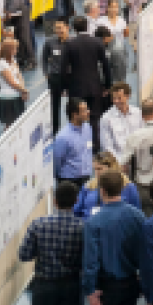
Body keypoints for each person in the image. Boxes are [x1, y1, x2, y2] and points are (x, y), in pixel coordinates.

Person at [81, 169, 146, 305]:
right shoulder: (137, 216)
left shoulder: (94, 222)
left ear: (101, 190)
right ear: (123, 188)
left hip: (104, 287)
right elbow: (146, 252)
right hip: (130, 283)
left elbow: (91, 261)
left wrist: (91, 291)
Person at [21, 181, 85, 305]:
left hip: (43, 284)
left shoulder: (38, 224)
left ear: (55, 201)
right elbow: (86, 259)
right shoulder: (83, 227)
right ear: (76, 200)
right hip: (71, 284)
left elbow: (24, 255)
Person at [59, 15, 115, 153]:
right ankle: (94, 146)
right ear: (87, 27)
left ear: (73, 28)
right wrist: (107, 86)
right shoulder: (97, 42)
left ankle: (78, 146)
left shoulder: (69, 44)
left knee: (76, 118)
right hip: (94, 87)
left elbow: (63, 69)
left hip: (76, 89)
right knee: (94, 117)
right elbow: (106, 66)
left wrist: (65, 87)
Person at [75, 152, 143, 218]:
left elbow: (136, 212)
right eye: (94, 169)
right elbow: (77, 209)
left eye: (99, 169)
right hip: (89, 224)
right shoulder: (88, 186)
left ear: (111, 168)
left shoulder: (128, 187)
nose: (96, 173)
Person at [54, 97, 95, 188]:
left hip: (86, 178)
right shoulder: (63, 137)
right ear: (75, 115)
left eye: (87, 109)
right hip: (69, 182)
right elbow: (57, 161)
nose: (88, 112)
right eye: (84, 110)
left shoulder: (88, 128)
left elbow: (89, 148)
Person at [43, 18, 72, 131]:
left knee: (73, 103)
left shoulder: (73, 41)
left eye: (60, 28)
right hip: (55, 77)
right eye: (56, 28)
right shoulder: (49, 42)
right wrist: (46, 73)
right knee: (55, 105)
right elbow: (44, 59)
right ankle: (55, 130)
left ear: (67, 27)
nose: (58, 30)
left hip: (70, 77)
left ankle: (72, 127)